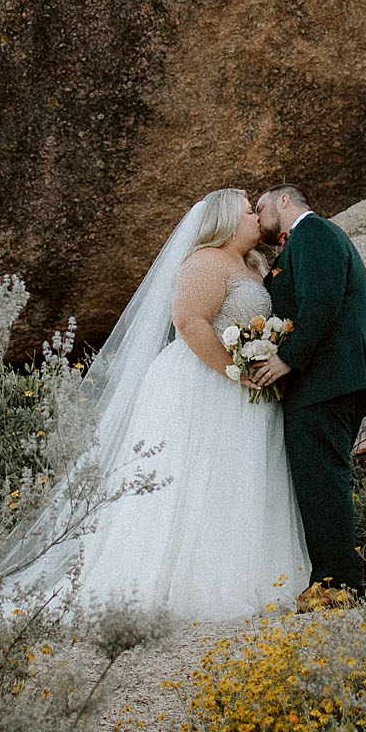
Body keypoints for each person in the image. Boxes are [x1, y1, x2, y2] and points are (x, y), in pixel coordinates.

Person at [48, 189, 311, 619]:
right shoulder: (205, 261)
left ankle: (247, 574)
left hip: (244, 386)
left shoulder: (253, 266)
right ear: (227, 221)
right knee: (193, 476)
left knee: (235, 478)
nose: (256, 218)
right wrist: (233, 368)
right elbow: (188, 322)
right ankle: (181, 581)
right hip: (202, 382)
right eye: (248, 212)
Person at [251, 185, 366, 606]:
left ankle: (337, 587)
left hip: (328, 380)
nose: (257, 219)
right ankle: (332, 580)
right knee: (320, 481)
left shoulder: (314, 232)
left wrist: (286, 360)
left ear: (284, 201)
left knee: (324, 482)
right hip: (331, 381)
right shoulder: (302, 243)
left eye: (260, 208)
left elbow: (322, 302)